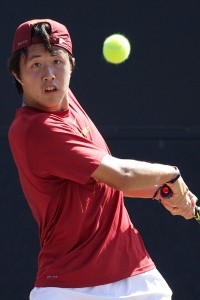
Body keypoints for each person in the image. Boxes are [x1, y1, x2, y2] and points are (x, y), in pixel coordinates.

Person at [8, 18, 197, 300]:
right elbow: (121, 175)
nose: (49, 74)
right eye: (35, 64)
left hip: (136, 276)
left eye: (57, 62)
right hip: (68, 289)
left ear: (71, 66)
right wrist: (171, 176)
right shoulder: (36, 129)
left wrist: (161, 191)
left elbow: (103, 184)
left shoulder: (63, 98)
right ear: (18, 75)